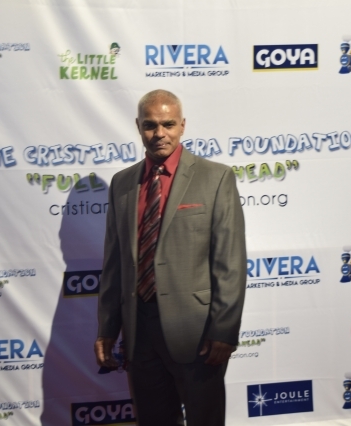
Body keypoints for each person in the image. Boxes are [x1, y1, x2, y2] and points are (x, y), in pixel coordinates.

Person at [94, 89, 246, 426]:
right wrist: (107, 327)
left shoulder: (216, 178)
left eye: (168, 124)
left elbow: (230, 263)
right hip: (138, 333)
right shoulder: (122, 183)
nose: (159, 133)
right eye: (150, 125)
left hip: (197, 334)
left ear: (182, 125)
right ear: (138, 127)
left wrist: (223, 331)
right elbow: (115, 263)